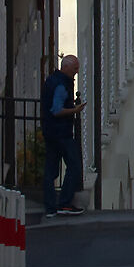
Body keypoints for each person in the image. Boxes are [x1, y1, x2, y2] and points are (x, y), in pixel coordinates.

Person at [41, 54, 84, 216]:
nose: (76, 72)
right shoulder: (61, 84)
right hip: (61, 132)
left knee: (50, 170)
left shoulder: (52, 80)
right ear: (65, 67)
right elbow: (57, 110)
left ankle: (50, 207)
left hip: (50, 131)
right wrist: (75, 110)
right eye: (75, 69)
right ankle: (64, 203)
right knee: (74, 166)